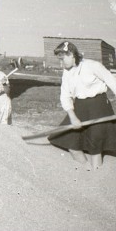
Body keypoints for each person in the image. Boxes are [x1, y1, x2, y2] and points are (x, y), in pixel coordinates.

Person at [48, 40, 116, 170]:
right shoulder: (67, 72)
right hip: (79, 106)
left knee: (95, 147)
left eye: (62, 59)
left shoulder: (93, 66)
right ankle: (84, 174)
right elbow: (65, 95)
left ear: (72, 54)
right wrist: (72, 117)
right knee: (70, 142)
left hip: (99, 107)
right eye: (59, 60)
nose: (60, 64)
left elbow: (112, 82)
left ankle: (97, 174)